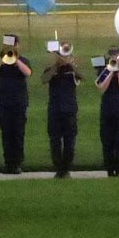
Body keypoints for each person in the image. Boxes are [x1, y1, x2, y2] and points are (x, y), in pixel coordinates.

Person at [0, 35, 31, 174]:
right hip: (4, 102)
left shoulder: (23, 60)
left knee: (18, 133)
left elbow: (28, 72)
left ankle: (17, 163)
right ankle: (8, 163)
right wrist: (2, 58)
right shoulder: (2, 61)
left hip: (19, 102)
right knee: (6, 134)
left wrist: (16, 60)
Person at [42, 44, 80, 179]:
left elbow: (82, 76)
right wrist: (56, 67)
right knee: (55, 140)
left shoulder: (72, 70)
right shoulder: (51, 69)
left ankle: (67, 167)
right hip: (54, 109)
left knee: (70, 141)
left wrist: (70, 65)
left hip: (70, 110)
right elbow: (44, 79)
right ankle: (59, 168)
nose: (64, 57)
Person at [95, 47, 119, 177]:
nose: (114, 58)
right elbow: (101, 88)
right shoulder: (103, 69)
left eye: (116, 56)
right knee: (107, 141)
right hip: (107, 110)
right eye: (112, 56)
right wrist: (110, 71)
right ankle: (109, 170)